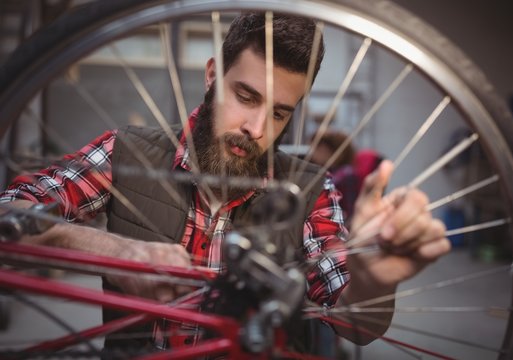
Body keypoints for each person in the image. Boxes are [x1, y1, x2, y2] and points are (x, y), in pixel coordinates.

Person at [0, 12, 450, 355]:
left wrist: (373, 280)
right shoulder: (125, 153)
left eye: (279, 113)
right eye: (246, 96)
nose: (256, 127)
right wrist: (115, 252)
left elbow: (357, 326)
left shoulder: (310, 191)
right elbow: (9, 214)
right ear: (213, 75)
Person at [310, 131, 384, 224]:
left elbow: (350, 210)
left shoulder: (345, 175)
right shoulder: (332, 172)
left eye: (317, 149)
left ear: (329, 150)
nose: (313, 154)